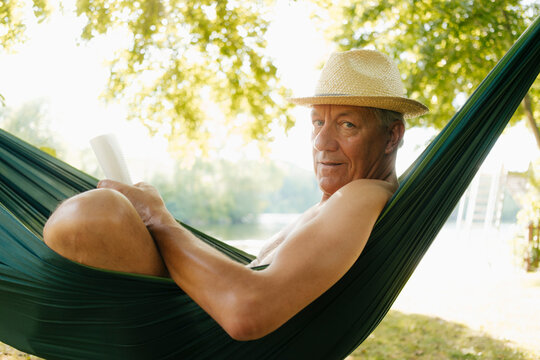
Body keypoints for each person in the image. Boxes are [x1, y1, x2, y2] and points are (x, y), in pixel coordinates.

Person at [42, 49, 428, 341]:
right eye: (317, 123)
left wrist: (158, 218)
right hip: (195, 323)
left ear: (392, 136)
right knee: (96, 213)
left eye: (346, 124)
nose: (322, 142)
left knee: (94, 215)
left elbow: (248, 312)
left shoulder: (360, 197)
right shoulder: (342, 204)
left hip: (199, 342)